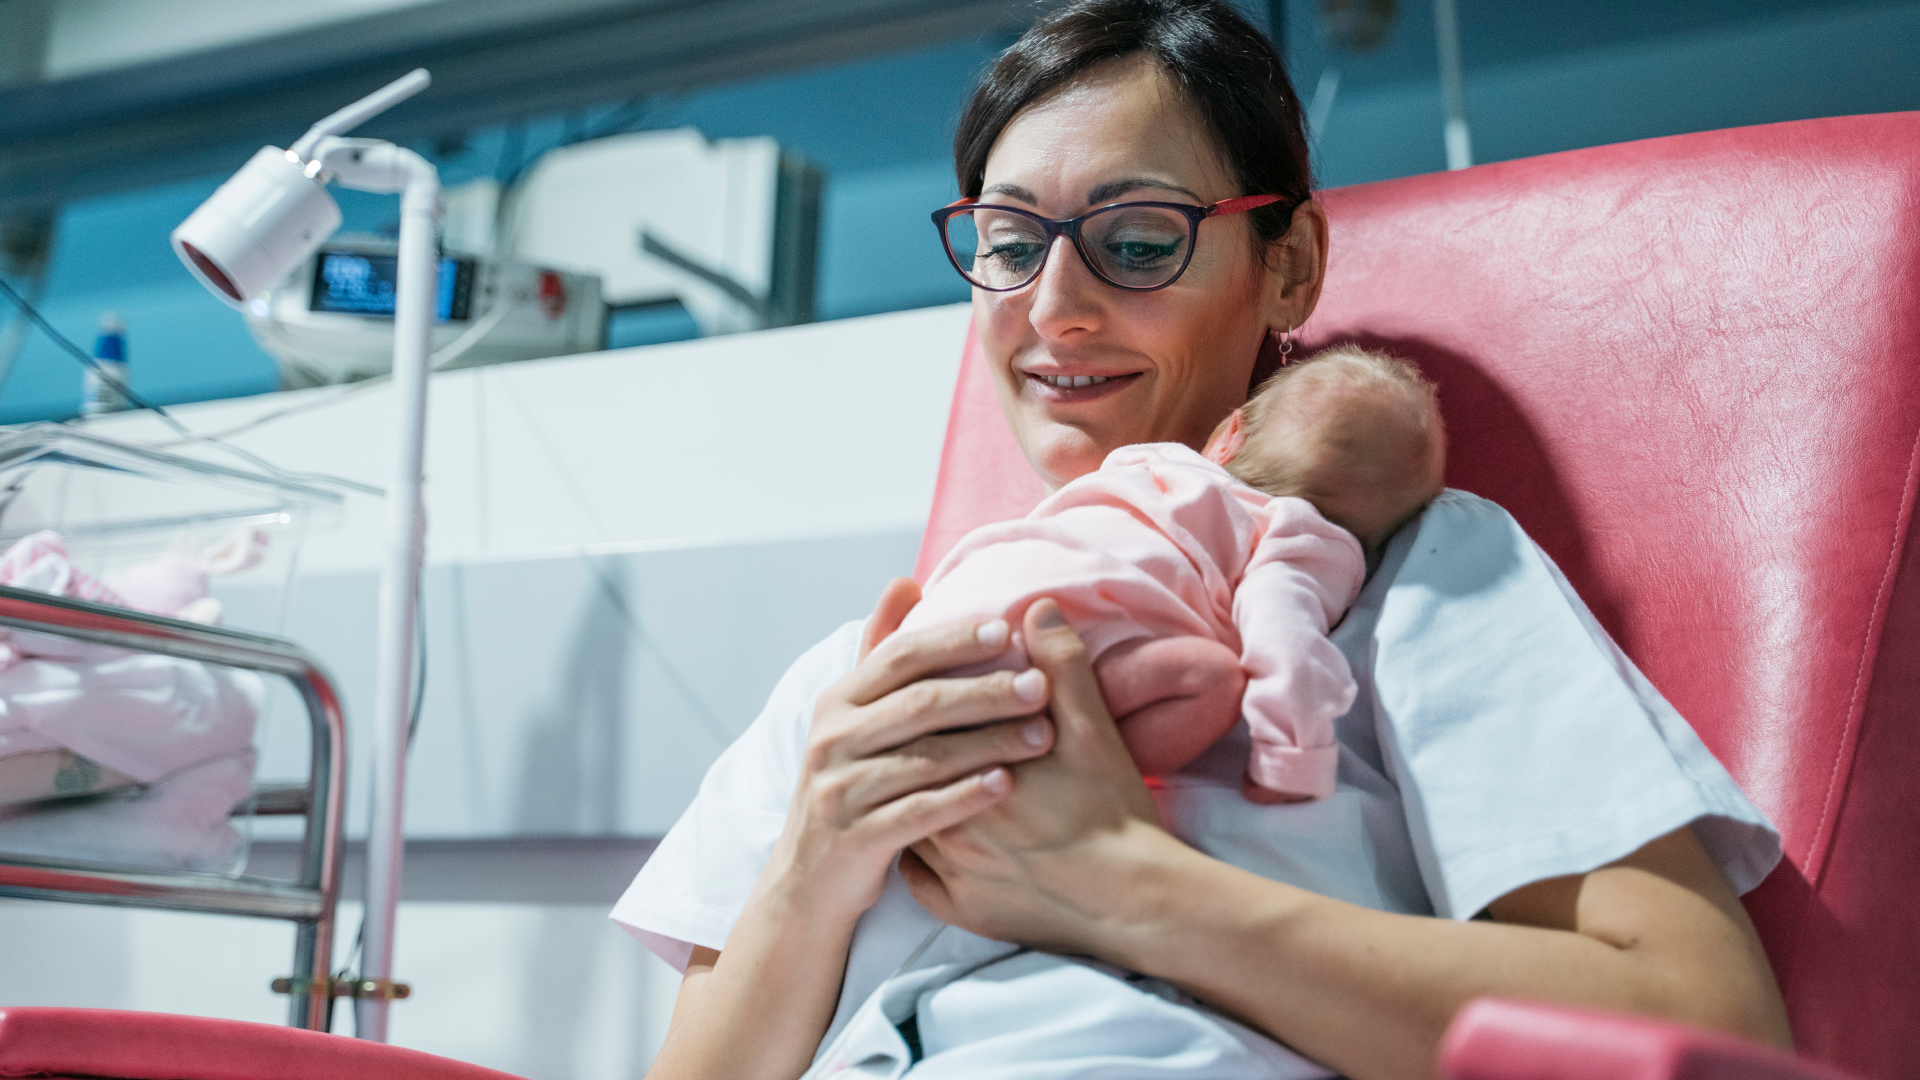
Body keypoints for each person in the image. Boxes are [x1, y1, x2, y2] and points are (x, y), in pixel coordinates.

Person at [614, 3, 1792, 1078]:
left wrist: (1122, 886)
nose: (1054, 306)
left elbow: (1699, 1022)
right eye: (1012, 242)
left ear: (1288, 268)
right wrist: (814, 861)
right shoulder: (858, 682)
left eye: (1136, 242)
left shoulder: (1405, 579)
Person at [897, 345, 1444, 808]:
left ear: (1228, 435)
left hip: (943, 622)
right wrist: (1291, 761)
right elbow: (1286, 640)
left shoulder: (1146, 464)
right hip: (1038, 671)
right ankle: (1063, 780)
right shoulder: (1300, 536)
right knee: (1216, 677)